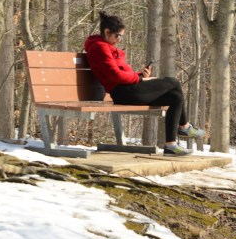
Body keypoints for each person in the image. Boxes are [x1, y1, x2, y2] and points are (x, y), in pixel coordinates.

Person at [84, 11, 205, 156]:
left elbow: (119, 74)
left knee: (175, 97)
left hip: (128, 89)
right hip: (124, 92)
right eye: (118, 36)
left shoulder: (106, 46)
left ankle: (171, 145)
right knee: (173, 82)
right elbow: (115, 76)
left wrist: (139, 75)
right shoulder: (100, 47)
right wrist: (140, 79)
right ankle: (184, 126)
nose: (119, 40)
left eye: (121, 36)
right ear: (107, 32)